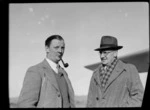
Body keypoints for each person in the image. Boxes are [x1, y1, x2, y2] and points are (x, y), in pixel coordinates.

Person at [17, 35, 75, 108]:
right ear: (47, 49)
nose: (60, 51)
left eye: (62, 48)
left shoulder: (64, 73)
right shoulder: (35, 71)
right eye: (56, 47)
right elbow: (25, 104)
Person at [86, 35, 144, 107]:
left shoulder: (129, 70)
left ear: (115, 53)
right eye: (100, 52)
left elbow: (139, 97)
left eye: (105, 53)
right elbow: (90, 101)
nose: (102, 56)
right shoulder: (95, 74)